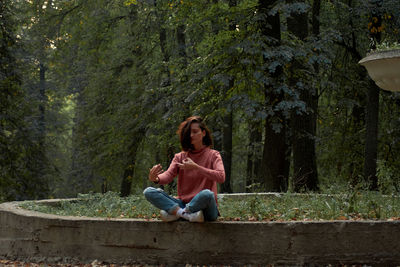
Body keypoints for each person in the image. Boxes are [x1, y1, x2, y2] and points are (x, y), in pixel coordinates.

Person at [143, 116, 225, 222]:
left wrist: (196, 167)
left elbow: (221, 177)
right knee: (149, 192)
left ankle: (178, 213)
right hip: (183, 204)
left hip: (206, 209)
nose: (191, 135)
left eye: (195, 132)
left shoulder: (214, 155)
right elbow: (168, 176)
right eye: (189, 133)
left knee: (207, 194)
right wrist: (156, 178)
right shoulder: (180, 157)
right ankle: (185, 214)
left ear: (203, 133)